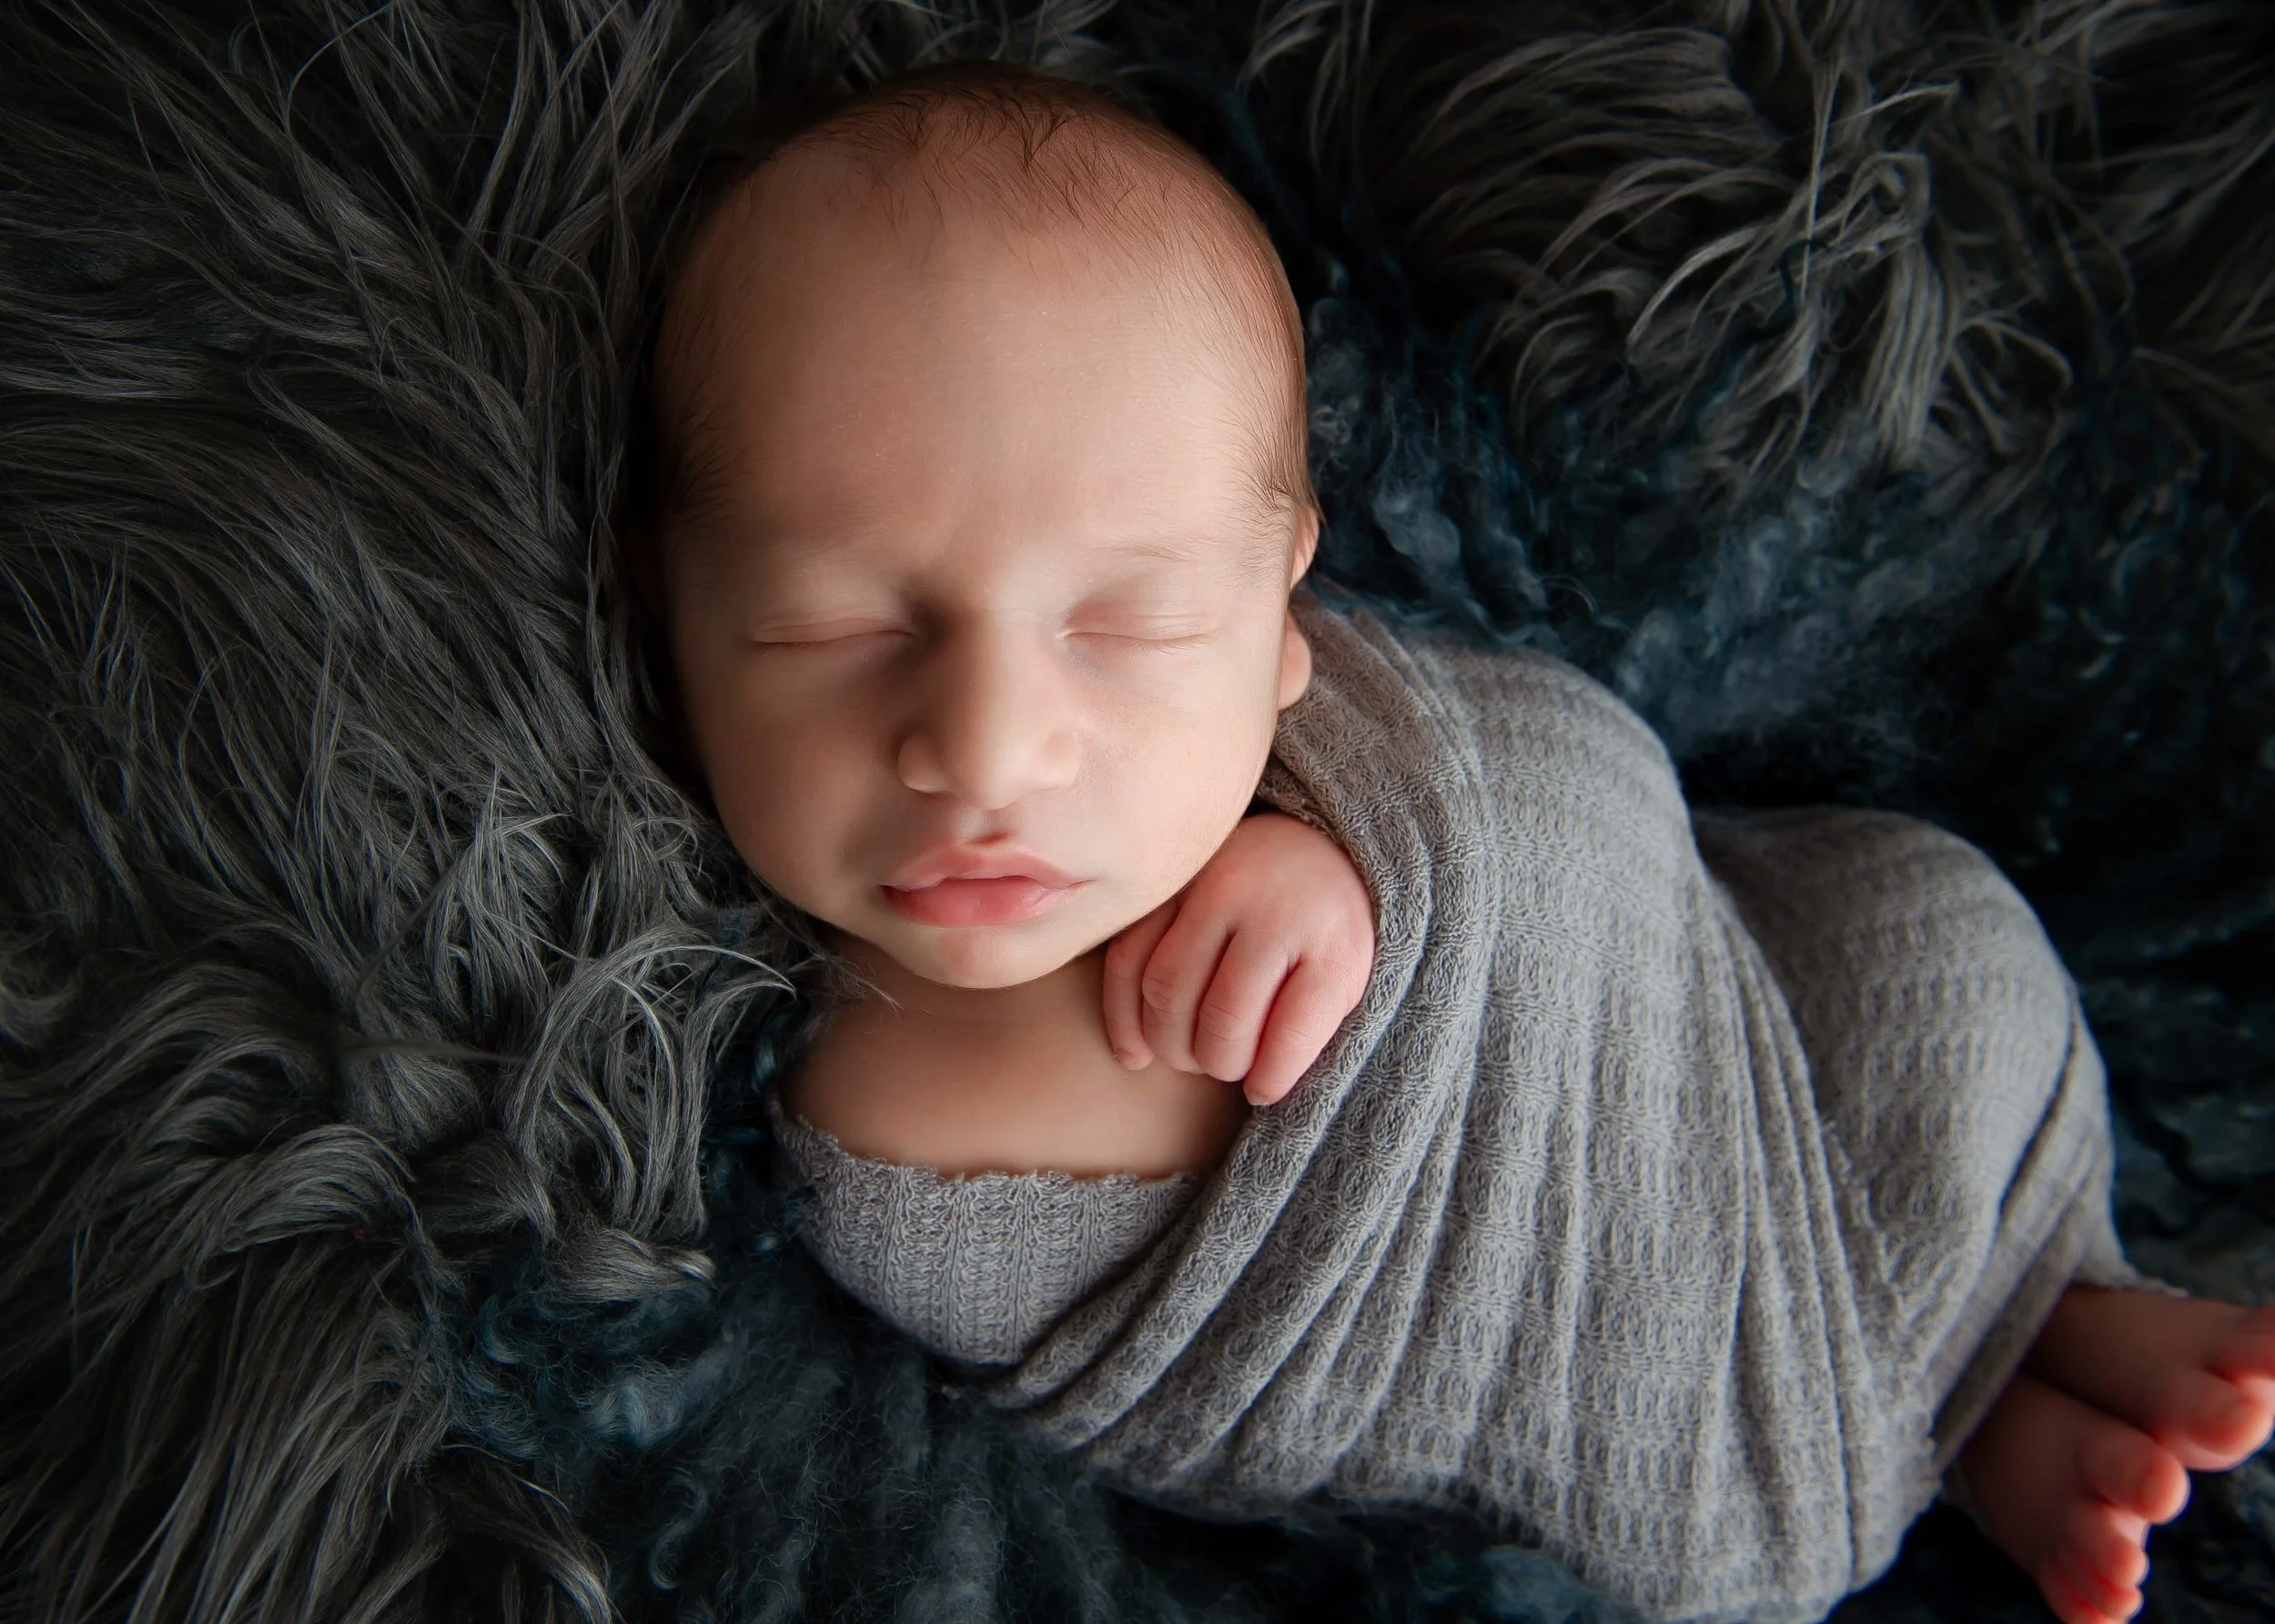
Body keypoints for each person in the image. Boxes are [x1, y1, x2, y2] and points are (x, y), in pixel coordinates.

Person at [629, 57, 2275, 1624]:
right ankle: (1992, 1414)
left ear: (1285, 627)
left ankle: (2054, 1311)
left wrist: (1363, 876)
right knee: (1800, 1427)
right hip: (1649, 1366)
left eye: (1132, 625)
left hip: (1792, 1023)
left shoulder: (1328, 735)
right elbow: (1381, 1341)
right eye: (824, 627)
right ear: (667, 619)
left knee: (1932, 1010)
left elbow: (1565, 792)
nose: (985, 748)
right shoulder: (846, 1115)